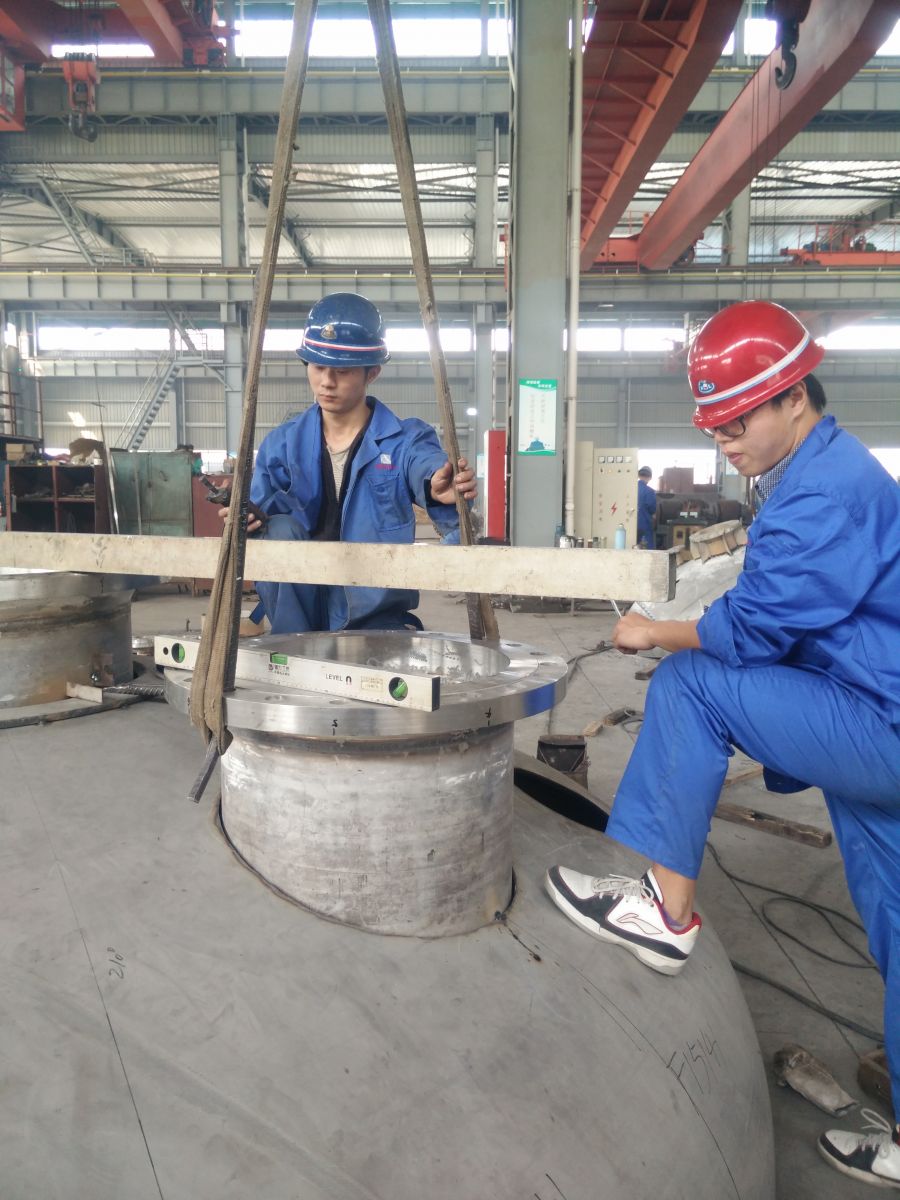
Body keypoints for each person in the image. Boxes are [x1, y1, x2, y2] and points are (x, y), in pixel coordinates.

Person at [544, 300, 900, 1189]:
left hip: (878, 718)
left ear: (793, 398)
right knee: (896, 915)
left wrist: (652, 632)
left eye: (737, 423)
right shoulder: (818, 470)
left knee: (693, 683)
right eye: (714, 426)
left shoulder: (824, 491)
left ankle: (662, 913)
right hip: (876, 706)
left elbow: (754, 630)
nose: (723, 441)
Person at [220, 292, 476, 634]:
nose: (326, 382)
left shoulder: (404, 440)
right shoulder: (281, 445)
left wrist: (436, 485)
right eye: (318, 367)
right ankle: (296, 649)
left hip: (376, 617)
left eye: (342, 371)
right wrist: (245, 518)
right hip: (297, 616)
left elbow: (424, 463)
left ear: (373, 373)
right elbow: (258, 515)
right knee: (279, 529)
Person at [636, 465, 656, 548]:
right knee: (646, 547)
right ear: (650, 477)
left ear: (638, 475)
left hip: (631, 524)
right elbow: (652, 509)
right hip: (644, 524)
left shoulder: (630, 489)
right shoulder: (650, 491)